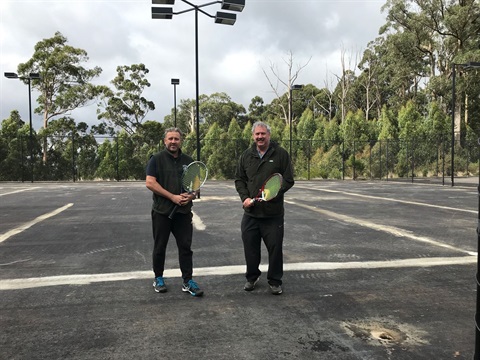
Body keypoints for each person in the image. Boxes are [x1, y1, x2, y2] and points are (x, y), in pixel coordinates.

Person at [234, 121, 294, 295]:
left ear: (269, 135)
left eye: (263, 134)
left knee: (275, 249)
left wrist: (272, 193)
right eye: (257, 134)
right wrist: (244, 197)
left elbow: (288, 180)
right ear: (253, 136)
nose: (260, 137)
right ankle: (251, 278)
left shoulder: (281, 154)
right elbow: (239, 179)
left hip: (273, 214)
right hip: (251, 213)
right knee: (250, 248)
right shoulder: (246, 155)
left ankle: (275, 281)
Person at [145, 127, 203, 297]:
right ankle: (159, 278)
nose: (173, 142)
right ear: (165, 141)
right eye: (170, 138)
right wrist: (172, 197)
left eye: (176, 139)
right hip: (162, 212)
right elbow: (150, 183)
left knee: (185, 248)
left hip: (183, 214)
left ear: (181, 141)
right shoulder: (156, 159)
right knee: (159, 247)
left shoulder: (189, 161)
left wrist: (190, 196)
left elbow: (196, 187)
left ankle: (187, 281)